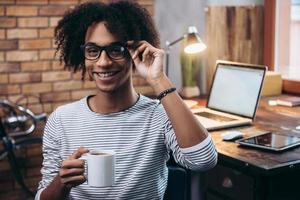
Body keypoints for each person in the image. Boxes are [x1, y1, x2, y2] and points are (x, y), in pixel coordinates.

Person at [35, 1, 217, 199]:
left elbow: (204, 161)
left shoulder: (159, 115)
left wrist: (159, 80)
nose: (103, 62)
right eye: (92, 50)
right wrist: (61, 183)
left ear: (135, 52)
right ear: (83, 55)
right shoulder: (61, 120)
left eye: (115, 49)